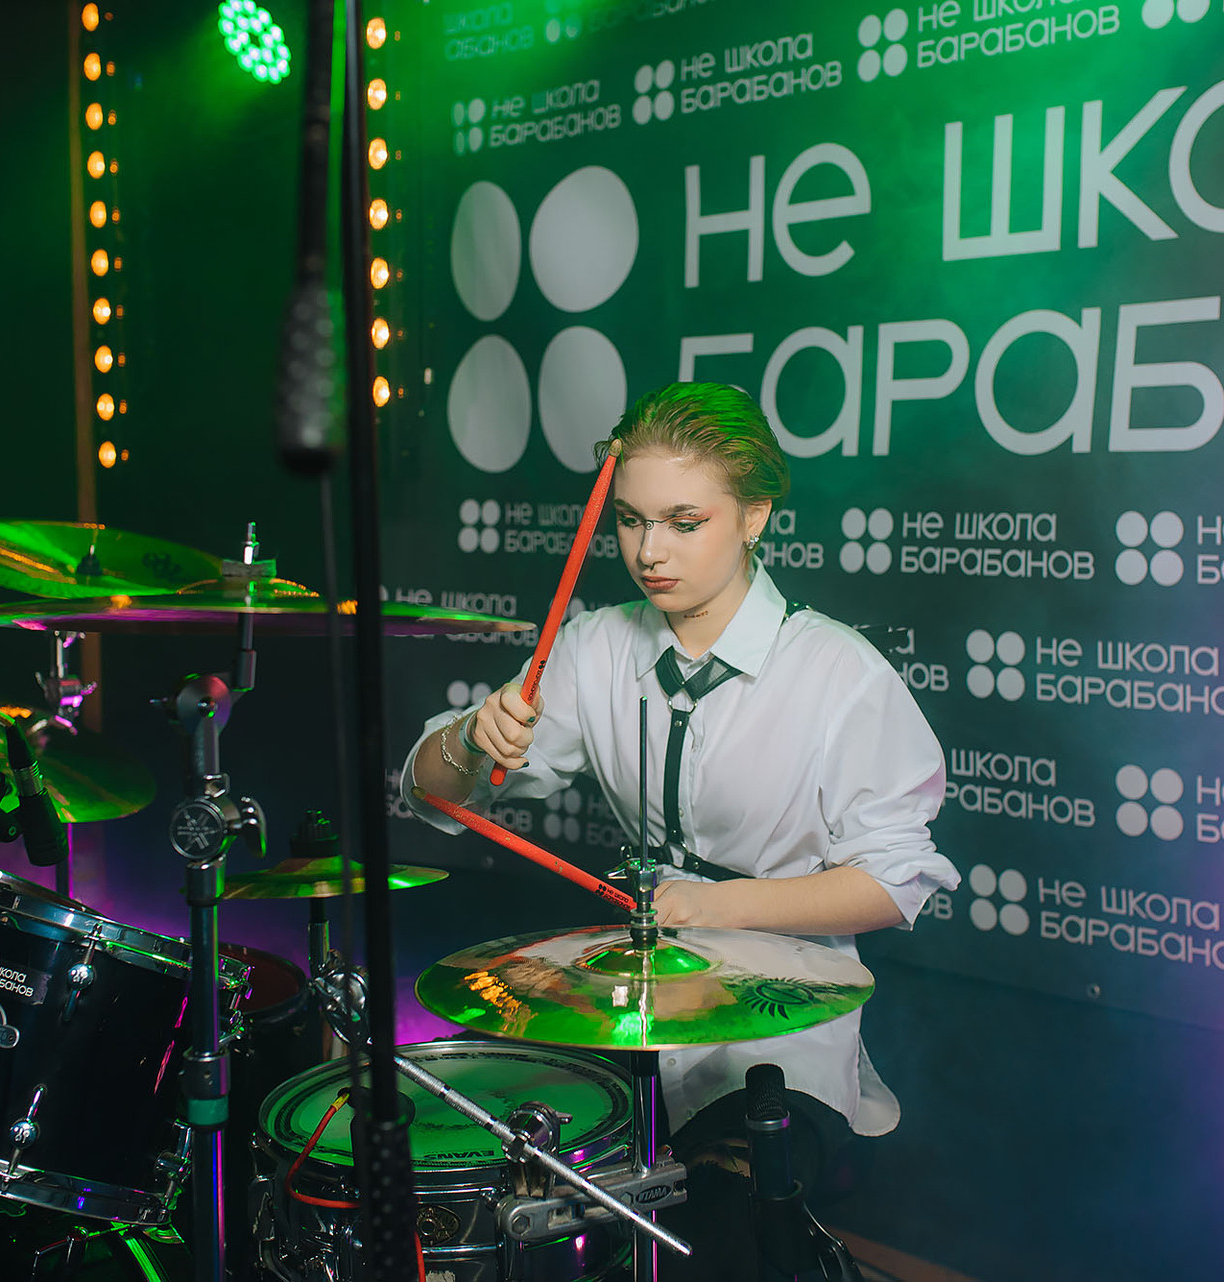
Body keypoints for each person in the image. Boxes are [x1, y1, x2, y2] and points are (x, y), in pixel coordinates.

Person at [404, 381, 960, 1278]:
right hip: (627, 1002)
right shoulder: (596, 645)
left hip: (775, 1023)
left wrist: (715, 906)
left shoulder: (839, 673)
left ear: (754, 517)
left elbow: (895, 882)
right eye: (630, 520)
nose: (649, 551)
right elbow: (436, 797)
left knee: (716, 1240)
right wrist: (471, 738)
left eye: (683, 521)